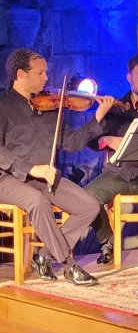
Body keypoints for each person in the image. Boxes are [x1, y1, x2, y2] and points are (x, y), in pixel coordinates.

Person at [0, 48, 116, 286]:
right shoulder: (3, 105)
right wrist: (31, 169)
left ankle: (43, 256)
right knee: (37, 201)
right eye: (41, 73)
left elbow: (71, 142)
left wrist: (97, 119)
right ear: (21, 74)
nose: (46, 78)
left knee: (89, 206)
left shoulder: (51, 107)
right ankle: (69, 265)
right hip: (8, 178)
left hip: (45, 178)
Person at [84, 54, 138, 266]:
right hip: (118, 173)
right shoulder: (117, 108)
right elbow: (91, 141)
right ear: (129, 77)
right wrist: (107, 139)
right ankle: (107, 242)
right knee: (88, 196)